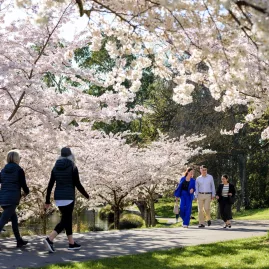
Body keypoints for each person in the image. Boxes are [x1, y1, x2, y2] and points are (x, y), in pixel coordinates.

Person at [44, 147, 89, 253]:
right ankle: (49, 239)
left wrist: (47, 200)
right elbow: (77, 184)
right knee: (65, 220)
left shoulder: (55, 168)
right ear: (71, 155)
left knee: (67, 219)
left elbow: (50, 185)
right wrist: (86, 195)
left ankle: (71, 243)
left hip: (58, 198)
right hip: (68, 197)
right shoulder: (73, 167)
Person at [0, 151, 29, 247]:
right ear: (17, 159)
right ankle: (19, 240)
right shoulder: (19, 170)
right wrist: (26, 192)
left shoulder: (3, 170)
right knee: (3, 220)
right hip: (12, 198)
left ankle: (19, 240)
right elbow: (23, 184)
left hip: (3, 198)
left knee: (14, 219)